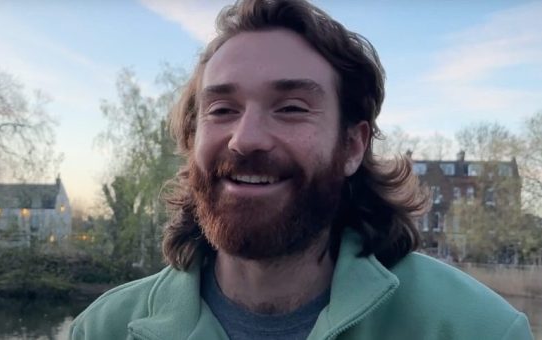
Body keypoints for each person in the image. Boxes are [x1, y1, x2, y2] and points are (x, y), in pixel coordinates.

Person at [70, 0, 534, 339]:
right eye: (222, 109)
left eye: (291, 107)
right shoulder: (104, 329)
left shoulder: (478, 329)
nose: (245, 138)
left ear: (353, 145)